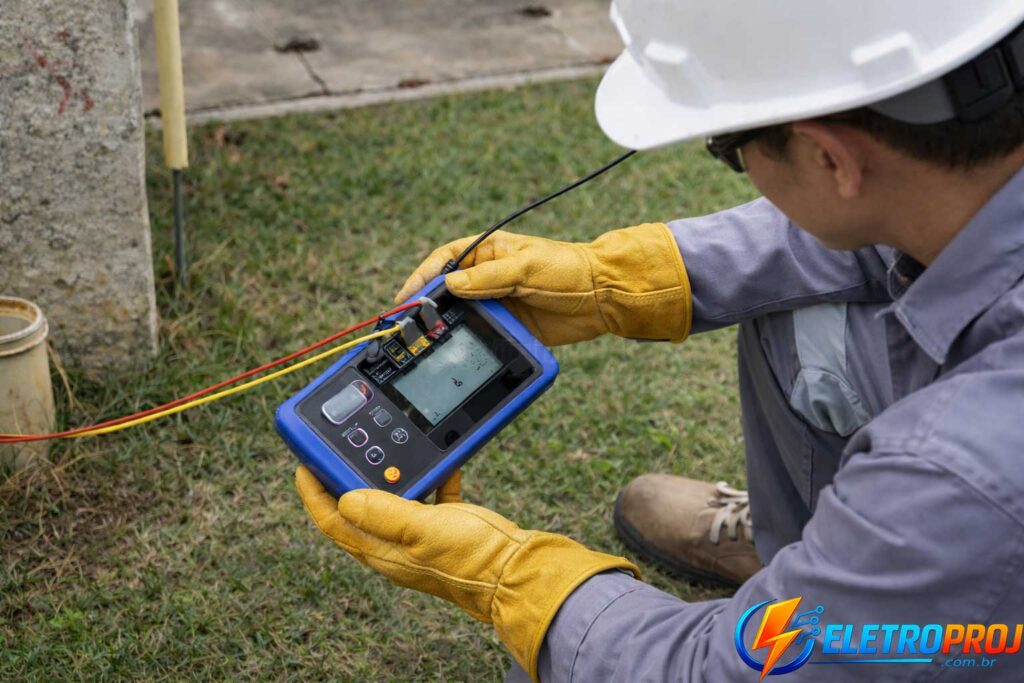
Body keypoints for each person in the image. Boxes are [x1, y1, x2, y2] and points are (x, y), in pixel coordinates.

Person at [296, 2, 1024, 680]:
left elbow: (712, 671)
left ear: (831, 158)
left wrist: (511, 577)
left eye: (726, 145)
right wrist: (624, 278)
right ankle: (833, 569)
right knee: (807, 314)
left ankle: (851, 599)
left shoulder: (957, 473)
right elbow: (885, 208)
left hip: (962, 524)